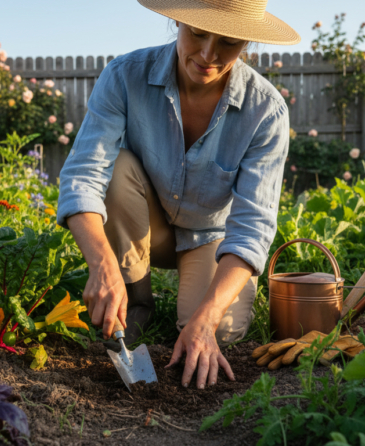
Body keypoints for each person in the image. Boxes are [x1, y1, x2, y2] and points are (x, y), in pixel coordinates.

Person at [57, 0, 299, 389]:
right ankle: (135, 298)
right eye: (198, 33)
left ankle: (197, 312)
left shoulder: (265, 111)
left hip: (211, 238)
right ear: (178, 20)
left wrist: (206, 317)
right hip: (143, 224)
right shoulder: (125, 76)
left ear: (248, 44)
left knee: (220, 332)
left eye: (229, 42)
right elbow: (82, 177)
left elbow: (252, 226)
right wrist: (102, 266)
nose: (208, 54)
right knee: (115, 168)